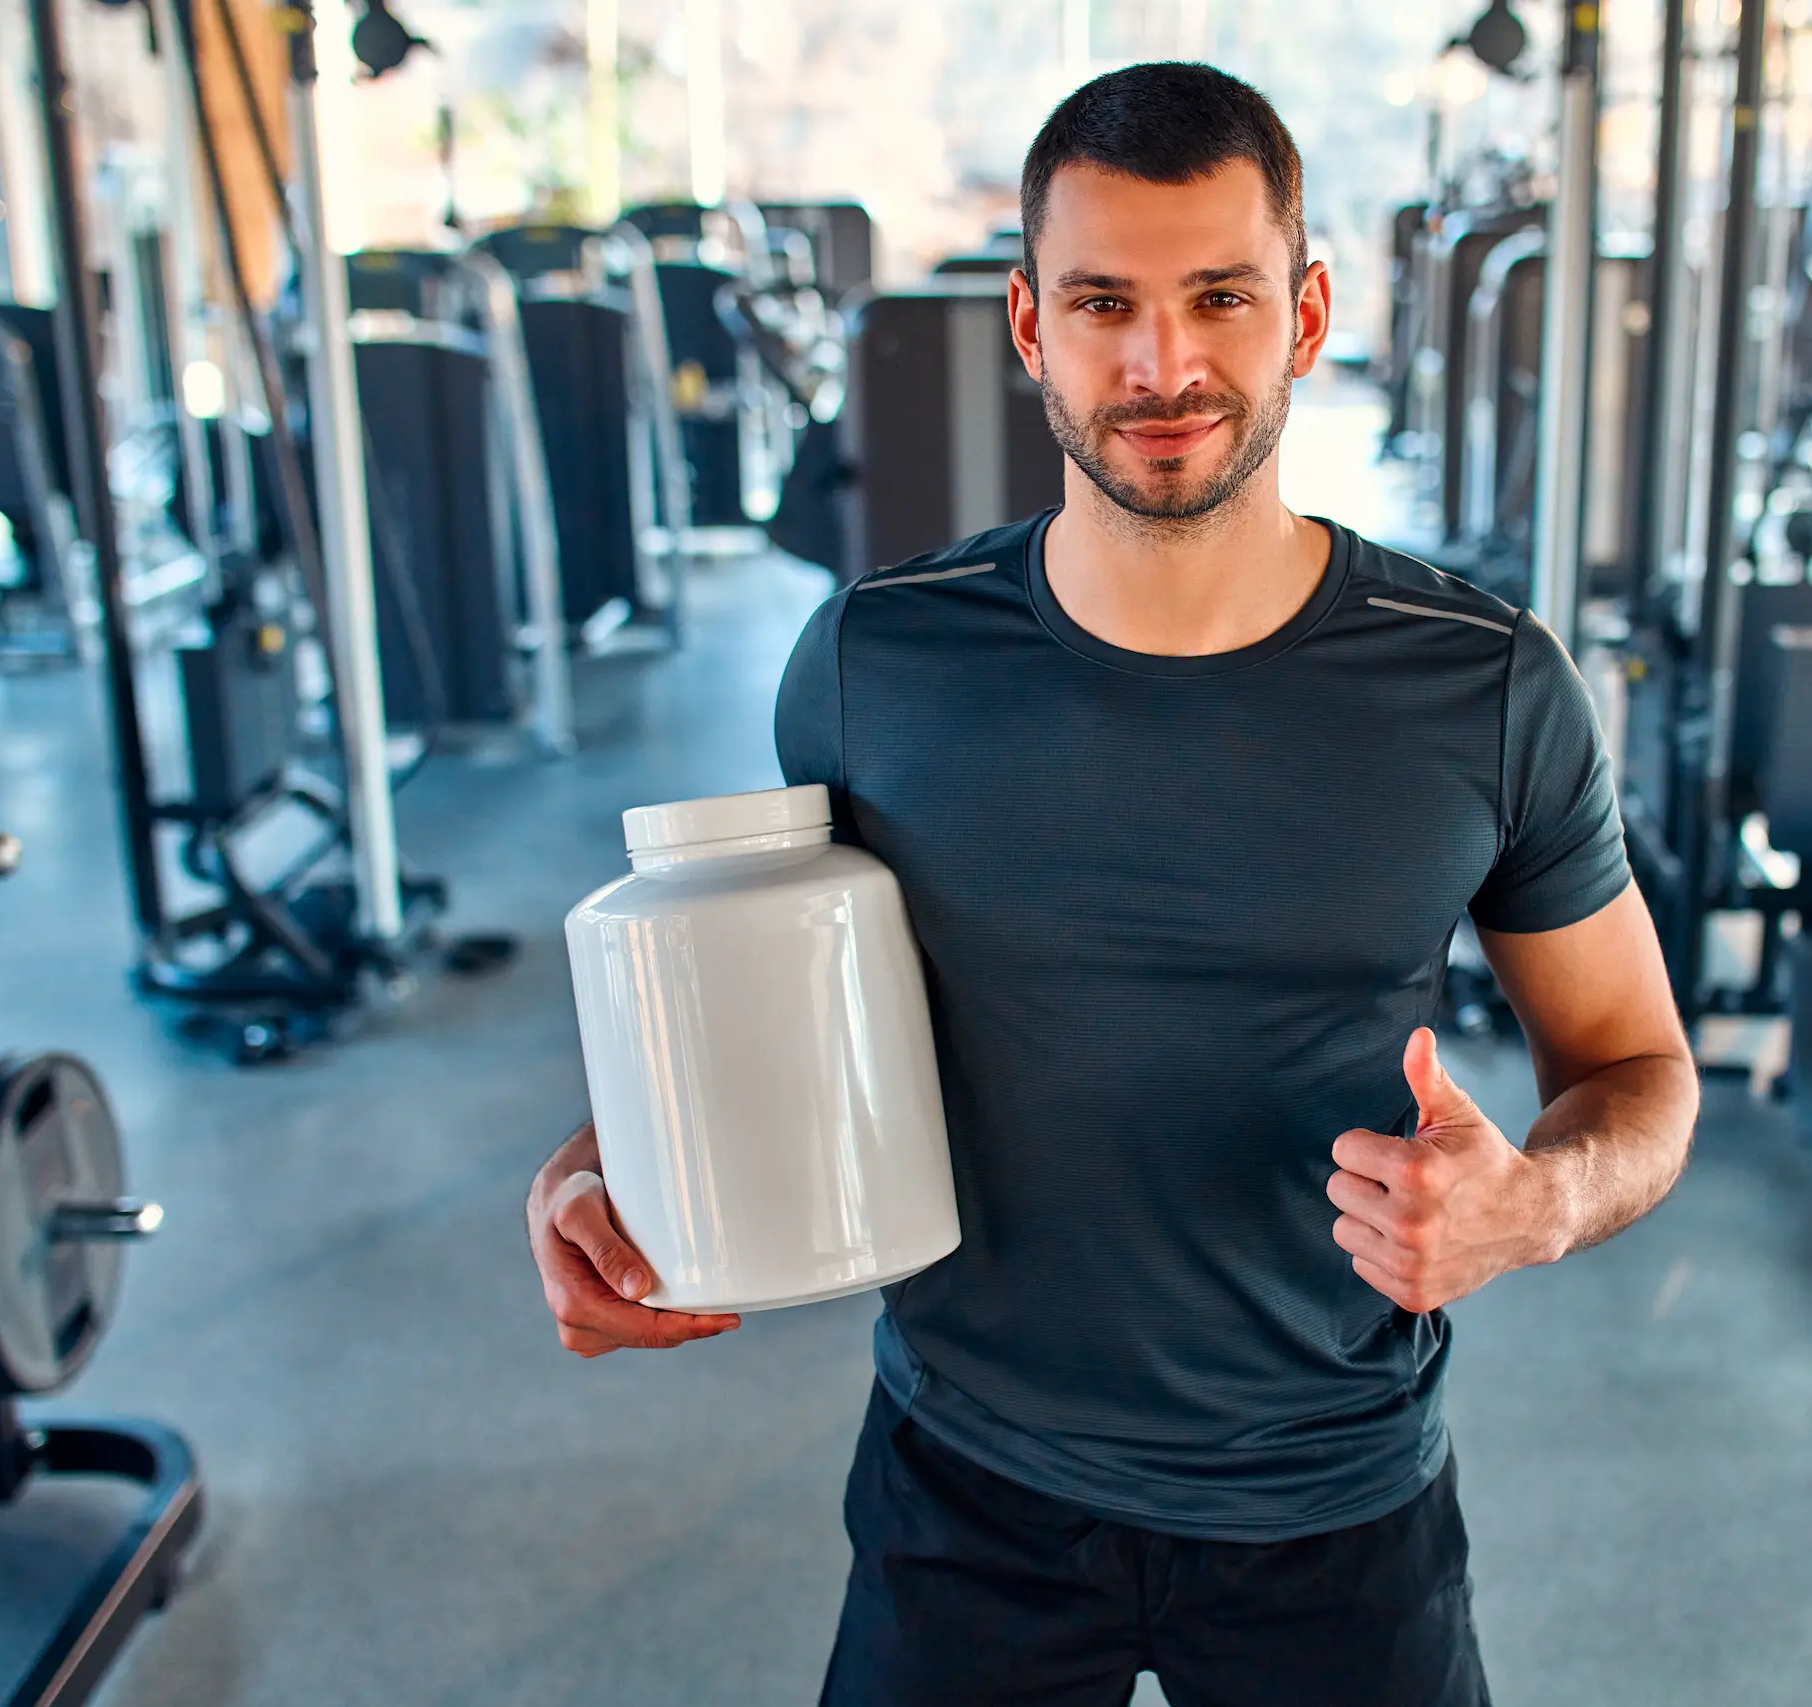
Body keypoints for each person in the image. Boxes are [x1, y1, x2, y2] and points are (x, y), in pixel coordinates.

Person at [526, 61, 1699, 1707]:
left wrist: (1541, 1204)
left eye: (1219, 294)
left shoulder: (1483, 685)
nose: (1163, 364)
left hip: (1335, 1509)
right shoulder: (876, 658)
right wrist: (603, 1173)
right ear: (1027, 323)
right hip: (965, 1491)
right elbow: (763, 1012)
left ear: (1304, 314)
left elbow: (1638, 1071)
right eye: (1102, 302)